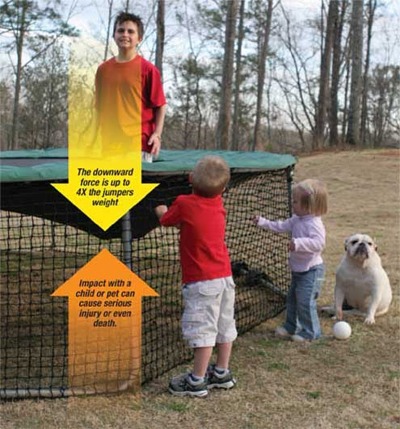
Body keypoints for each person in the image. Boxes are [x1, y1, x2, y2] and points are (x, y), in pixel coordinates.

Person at [155, 155, 237, 397]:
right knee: (224, 325)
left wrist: (160, 208)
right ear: (222, 189)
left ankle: (196, 381)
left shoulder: (184, 203)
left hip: (202, 282)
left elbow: (166, 220)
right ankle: (222, 373)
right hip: (224, 278)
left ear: (190, 179)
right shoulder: (219, 203)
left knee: (203, 330)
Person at [253, 179, 328, 342]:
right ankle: (291, 326)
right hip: (298, 269)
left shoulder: (314, 224)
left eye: (295, 201)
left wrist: (298, 243)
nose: (292, 204)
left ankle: (311, 333)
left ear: (308, 205)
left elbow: (319, 243)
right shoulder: (297, 219)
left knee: (305, 301)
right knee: (292, 299)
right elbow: (281, 226)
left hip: (311, 271)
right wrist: (263, 222)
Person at [94, 12, 167, 162]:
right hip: (109, 145)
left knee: (135, 186)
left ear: (139, 38)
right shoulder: (103, 70)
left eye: (130, 31)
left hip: (139, 144)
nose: (125, 34)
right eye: (120, 30)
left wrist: (157, 134)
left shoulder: (148, 70)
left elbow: (161, 105)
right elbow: (98, 108)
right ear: (114, 35)